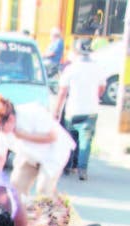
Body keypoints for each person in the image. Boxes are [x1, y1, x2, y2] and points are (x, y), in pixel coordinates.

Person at [0, 95, 75, 197]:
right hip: (29, 155)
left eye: (0, 127)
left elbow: (52, 137)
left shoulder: (32, 112)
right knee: (16, 188)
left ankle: (61, 209)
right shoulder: (1, 131)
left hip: (54, 153)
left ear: (11, 119)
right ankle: (24, 211)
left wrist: (23, 136)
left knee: (43, 191)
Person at [54, 39, 105, 181]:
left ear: (76, 52)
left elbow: (62, 92)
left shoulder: (71, 68)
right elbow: (101, 88)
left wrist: (57, 110)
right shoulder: (98, 68)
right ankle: (82, 169)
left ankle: (68, 166)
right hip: (91, 110)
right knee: (86, 141)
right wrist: (95, 97)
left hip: (72, 110)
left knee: (70, 139)